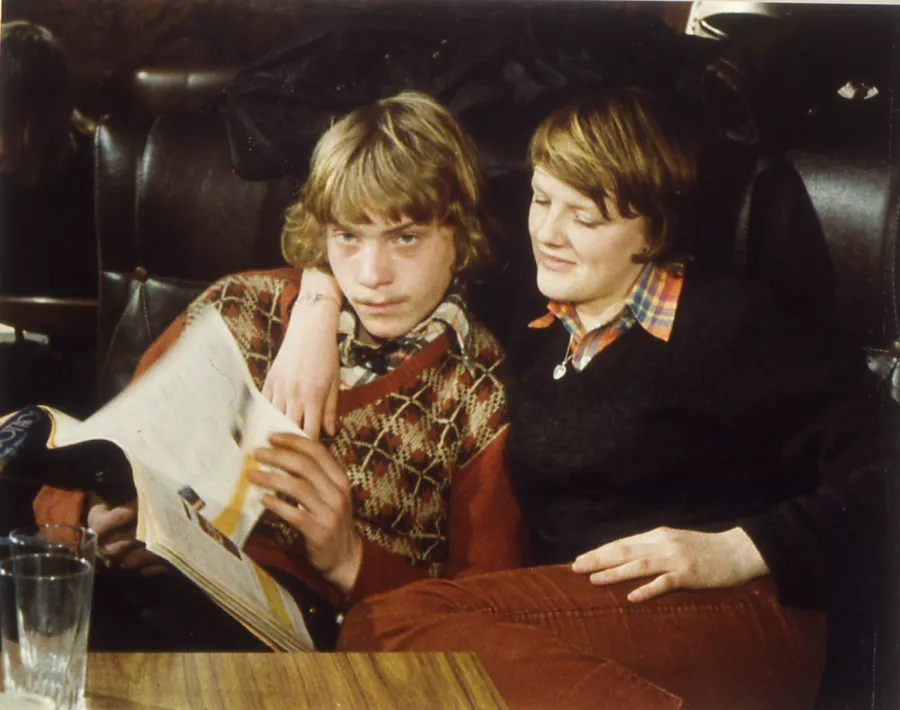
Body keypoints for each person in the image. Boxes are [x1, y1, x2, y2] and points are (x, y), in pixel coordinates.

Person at [263, 87, 899, 708]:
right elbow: (381, 210)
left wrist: (736, 548)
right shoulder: (531, 298)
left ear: (653, 230)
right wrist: (317, 306)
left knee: (390, 631)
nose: (549, 233)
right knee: (384, 635)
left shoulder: (736, 325)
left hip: (739, 616)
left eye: (586, 218)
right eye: (542, 199)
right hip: (585, 617)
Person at [31, 91, 525, 649]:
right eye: (348, 236)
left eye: (405, 237)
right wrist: (92, 520)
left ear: (460, 235)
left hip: (315, 643)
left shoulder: (480, 389)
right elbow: (87, 462)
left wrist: (350, 560)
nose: (372, 275)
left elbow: (487, 618)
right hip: (152, 596)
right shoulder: (241, 310)